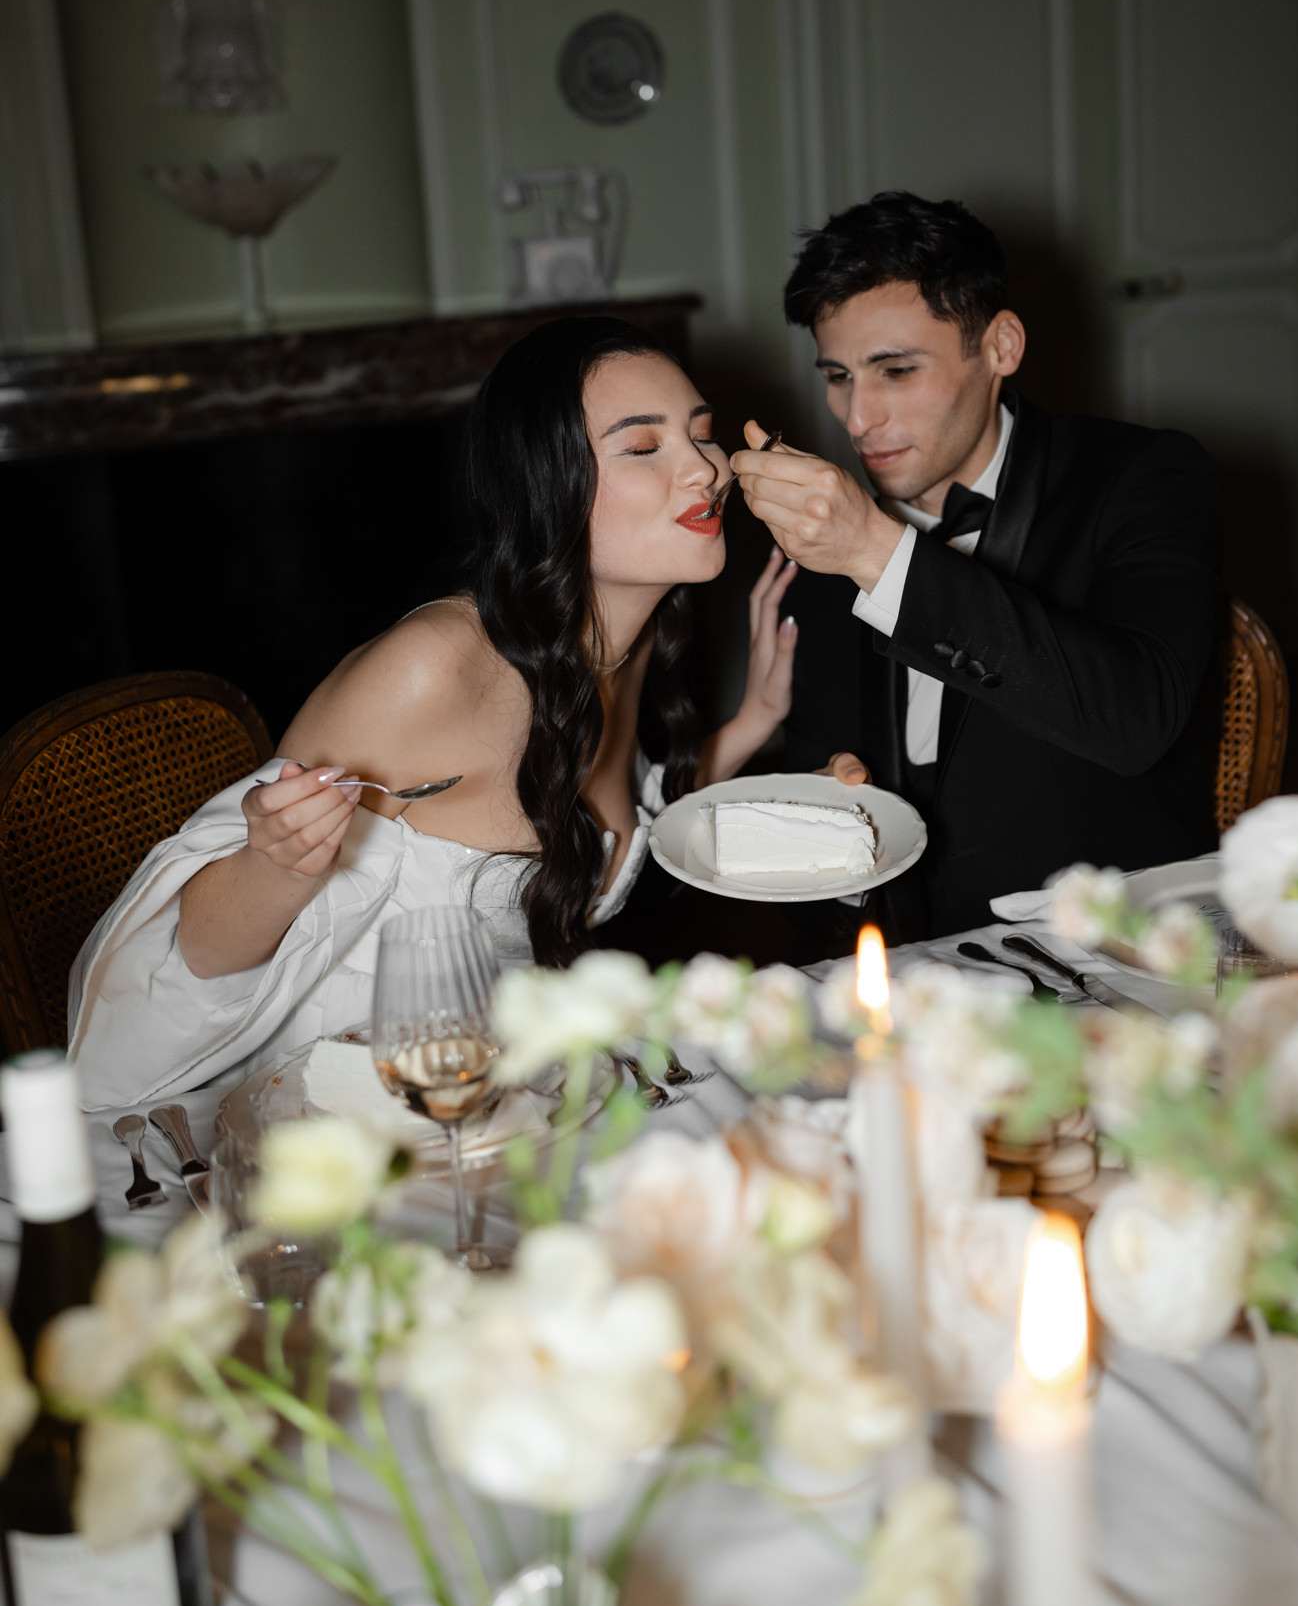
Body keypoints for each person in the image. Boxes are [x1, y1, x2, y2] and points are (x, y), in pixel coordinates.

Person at [68, 315, 801, 1107]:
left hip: (494, 1100)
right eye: (643, 446)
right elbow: (177, 971)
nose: (705, 469)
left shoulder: (625, 641)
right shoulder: (433, 669)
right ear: (545, 484)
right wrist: (272, 862)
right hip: (329, 1116)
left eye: (702, 434)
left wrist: (749, 723)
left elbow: (598, 825)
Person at [730, 190, 1225, 939]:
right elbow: (821, 768)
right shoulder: (824, 545)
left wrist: (878, 552)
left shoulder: (1143, 477)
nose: (857, 419)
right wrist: (834, 800)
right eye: (837, 377)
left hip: (1114, 955)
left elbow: (1135, 719)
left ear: (999, 348)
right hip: (910, 965)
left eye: (894, 371)